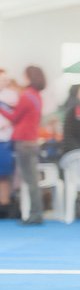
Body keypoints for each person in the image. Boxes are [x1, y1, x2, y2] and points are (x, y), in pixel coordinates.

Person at [0, 66, 46, 225]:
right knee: (31, 180)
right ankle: (36, 213)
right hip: (31, 141)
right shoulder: (36, 96)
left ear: (29, 78)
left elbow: (14, 117)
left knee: (30, 180)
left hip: (24, 142)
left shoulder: (26, 96)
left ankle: (35, 214)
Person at [0, 69, 19, 219]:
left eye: (6, 79)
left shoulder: (11, 96)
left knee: (4, 175)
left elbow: (16, 117)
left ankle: (4, 205)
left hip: (5, 141)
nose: (5, 81)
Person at [61, 84, 80, 153]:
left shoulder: (67, 103)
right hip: (75, 142)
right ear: (76, 91)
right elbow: (78, 121)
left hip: (66, 141)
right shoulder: (78, 106)